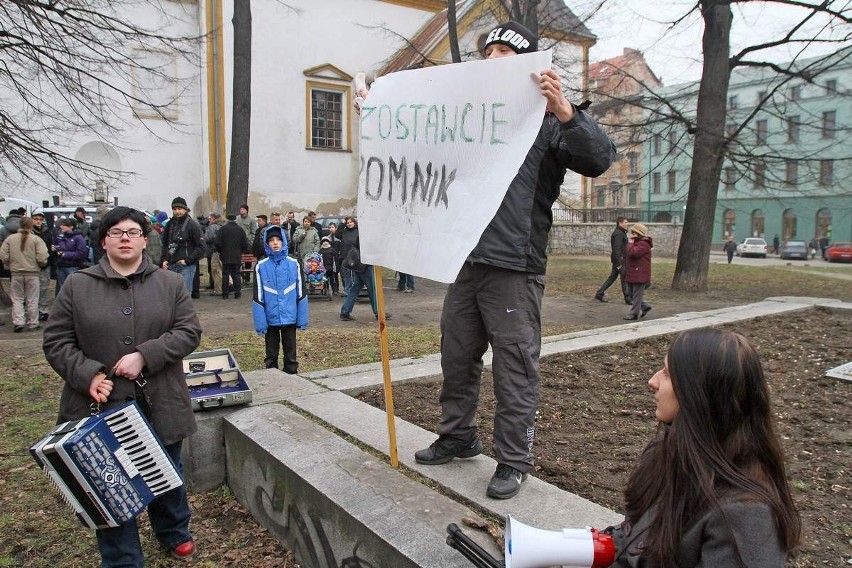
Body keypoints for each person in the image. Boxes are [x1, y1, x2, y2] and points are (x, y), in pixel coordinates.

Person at [410, 20, 616, 499]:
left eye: (507, 52)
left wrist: (565, 110)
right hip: (467, 260)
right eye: (491, 51)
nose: (494, 58)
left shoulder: (548, 122)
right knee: (456, 357)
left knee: (514, 367)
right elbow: (422, 146)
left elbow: (598, 159)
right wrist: (379, 116)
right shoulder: (472, 119)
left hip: (515, 268)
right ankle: (458, 435)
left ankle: (513, 459)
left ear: (528, 65)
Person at [43, 206, 202, 566]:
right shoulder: (77, 285)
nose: (125, 238)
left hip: (159, 399)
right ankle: (122, 557)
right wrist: (88, 375)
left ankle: (173, 532)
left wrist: (146, 355)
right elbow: (56, 341)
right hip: (101, 402)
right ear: (104, 241)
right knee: (109, 483)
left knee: (165, 472)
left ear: (145, 240)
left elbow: (188, 332)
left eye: (133, 232)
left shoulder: (169, 283)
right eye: (117, 233)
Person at [605, 329, 801, 567]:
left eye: (667, 374)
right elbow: (631, 539)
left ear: (698, 392)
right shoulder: (667, 453)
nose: (652, 381)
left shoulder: (745, 516)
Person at [252, 225, 308, 373]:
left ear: (284, 241)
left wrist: (301, 319)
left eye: (278, 239)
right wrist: (261, 323)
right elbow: (258, 296)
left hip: (290, 316)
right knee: (271, 353)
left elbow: (301, 292)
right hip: (270, 317)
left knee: (290, 352)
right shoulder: (260, 266)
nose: (275, 243)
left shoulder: (294, 264)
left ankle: (292, 374)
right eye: (271, 240)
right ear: (266, 243)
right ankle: (272, 376)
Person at [0, 217, 49, 332]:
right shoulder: (36, 239)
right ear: (31, 226)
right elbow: (43, 256)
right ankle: (33, 322)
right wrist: (40, 264)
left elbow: (3, 255)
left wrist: (9, 263)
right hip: (32, 272)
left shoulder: (10, 239)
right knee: (32, 298)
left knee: (17, 298)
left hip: (16, 272)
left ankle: (18, 321)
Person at [160, 196, 205, 293]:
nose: (177, 211)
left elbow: (201, 247)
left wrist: (187, 260)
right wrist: (164, 260)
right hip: (171, 266)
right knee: (171, 297)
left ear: (185, 209)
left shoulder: (193, 225)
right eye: (175, 209)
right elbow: (165, 244)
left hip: (186, 267)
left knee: (184, 297)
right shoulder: (169, 224)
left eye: (179, 209)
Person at [594, 216, 630, 304]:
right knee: (624, 278)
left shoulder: (621, 232)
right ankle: (628, 298)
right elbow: (616, 249)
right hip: (619, 260)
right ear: (620, 223)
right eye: (625, 222)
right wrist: (619, 263)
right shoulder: (618, 234)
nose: (627, 224)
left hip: (618, 259)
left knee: (613, 277)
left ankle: (599, 293)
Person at [215, 214, 250, 299]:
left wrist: (221, 251)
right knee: (236, 274)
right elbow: (245, 244)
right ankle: (237, 293)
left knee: (225, 275)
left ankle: (225, 294)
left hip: (225, 255)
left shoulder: (222, 229)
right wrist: (240, 251)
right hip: (237, 256)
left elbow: (217, 243)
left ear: (227, 219)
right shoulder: (240, 229)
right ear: (235, 219)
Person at [52, 218, 89, 295]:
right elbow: (55, 245)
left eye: (64, 225)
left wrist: (65, 254)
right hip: (60, 266)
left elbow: (81, 253)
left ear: (71, 227)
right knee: (62, 288)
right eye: (61, 225)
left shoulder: (78, 238)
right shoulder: (59, 237)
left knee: (73, 287)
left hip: (72, 266)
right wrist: (54, 248)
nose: (62, 227)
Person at [624, 223, 652, 320]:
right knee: (630, 294)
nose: (631, 234)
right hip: (633, 272)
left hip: (639, 274)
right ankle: (645, 306)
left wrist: (630, 243)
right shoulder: (636, 242)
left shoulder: (644, 244)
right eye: (631, 232)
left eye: (633, 232)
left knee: (636, 295)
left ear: (639, 234)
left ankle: (634, 314)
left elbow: (633, 253)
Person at [30, 212, 53, 320]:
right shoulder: (29, 233)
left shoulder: (47, 231)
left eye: (40, 219)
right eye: (36, 219)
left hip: (45, 264)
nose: (38, 221)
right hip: (31, 265)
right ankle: (34, 311)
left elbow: (49, 246)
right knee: (33, 290)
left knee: (43, 288)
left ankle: (43, 310)